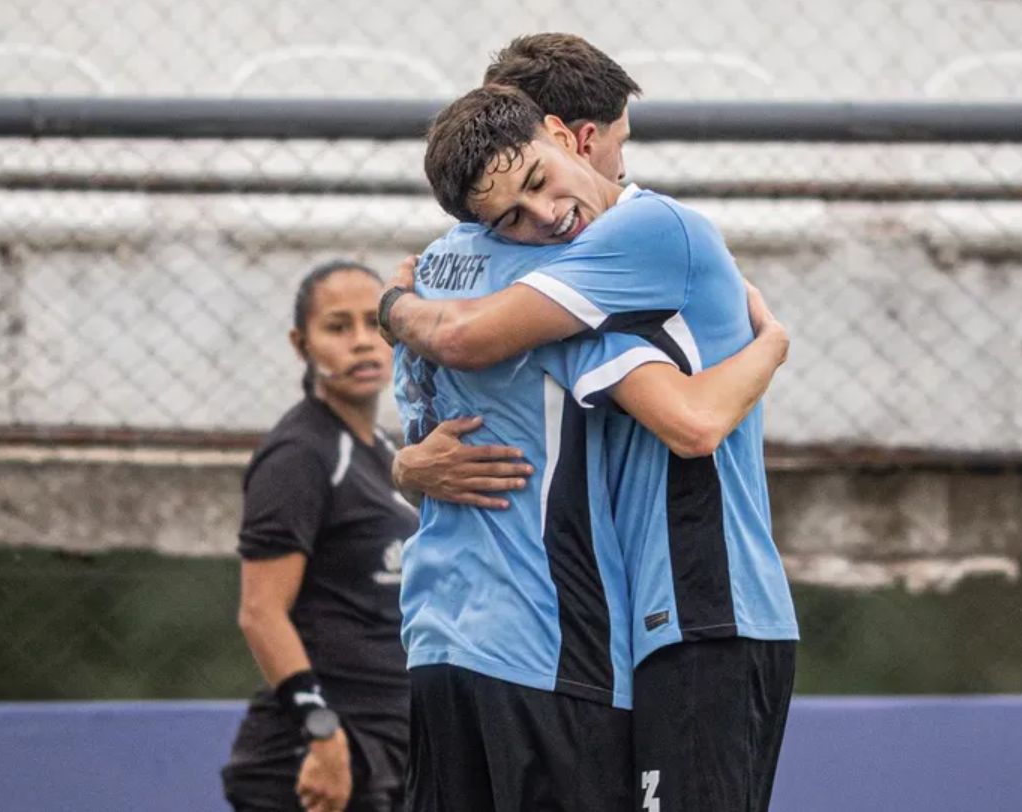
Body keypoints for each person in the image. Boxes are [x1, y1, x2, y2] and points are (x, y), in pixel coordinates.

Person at [382, 41, 792, 812]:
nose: (544, 213)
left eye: (541, 184)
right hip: (597, 629)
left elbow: (693, 423)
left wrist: (391, 307)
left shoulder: (623, 242)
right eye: (616, 137)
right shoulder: (543, 271)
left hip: (706, 605)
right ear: (565, 130)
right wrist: (772, 346)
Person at [219, 259, 528, 812]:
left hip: (384, 752)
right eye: (338, 327)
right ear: (302, 343)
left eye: (372, 325)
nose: (361, 343)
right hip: (310, 762)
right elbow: (260, 611)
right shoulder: (300, 454)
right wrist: (322, 735)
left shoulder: (385, 452)